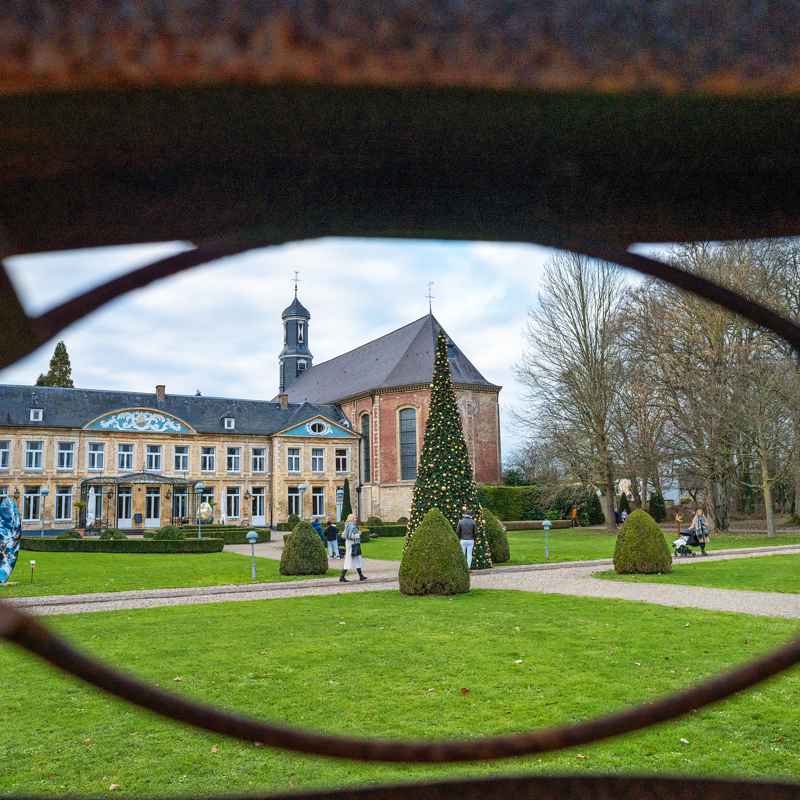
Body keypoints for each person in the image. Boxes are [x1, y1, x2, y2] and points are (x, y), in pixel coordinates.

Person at [340, 513, 367, 582]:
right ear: (352, 519)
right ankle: (342, 576)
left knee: (356, 558)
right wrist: (358, 534)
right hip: (352, 545)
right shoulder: (352, 526)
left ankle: (361, 575)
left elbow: (343, 535)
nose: (356, 519)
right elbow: (351, 536)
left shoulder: (347, 526)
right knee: (349, 559)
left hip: (349, 544)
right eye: (355, 518)